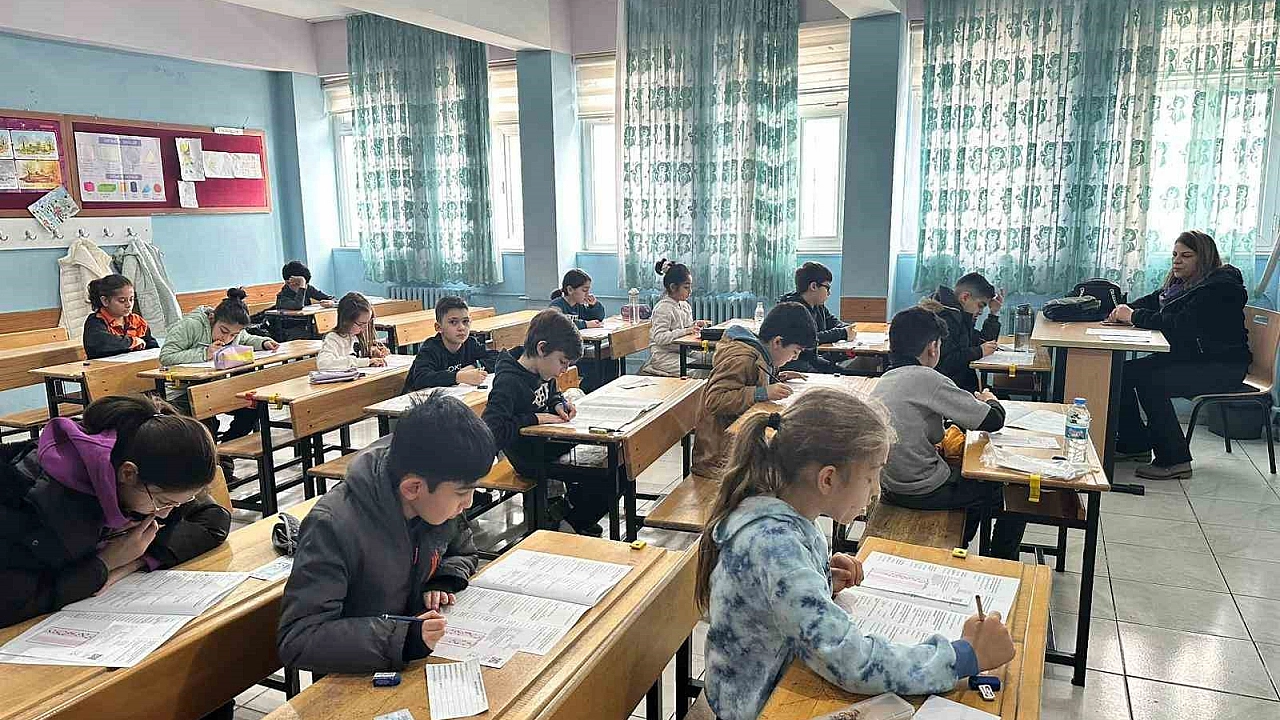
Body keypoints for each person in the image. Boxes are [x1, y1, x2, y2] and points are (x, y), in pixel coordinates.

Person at [698, 390, 1016, 720]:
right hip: (756, 707)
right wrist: (963, 657)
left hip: (779, 683)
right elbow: (851, 661)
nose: (877, 489)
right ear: (828, 479)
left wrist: (821, 578)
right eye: (871, 476)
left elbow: (778, 600)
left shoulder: (786, 515)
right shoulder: (775, 547)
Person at [277, 395, 490, 673]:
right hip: (357, 672)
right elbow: (299, 639)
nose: (469, 503)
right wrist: (401, 638)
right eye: (462, 493)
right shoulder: (333, 526)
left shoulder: (435, 501)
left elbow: (462, 551)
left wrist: (443, 579)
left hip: (414, 657)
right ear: (413, 488)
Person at [0, 394, 229, 627]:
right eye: (162, 502)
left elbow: (213, 518)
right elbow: (12, 602)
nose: (163, 514)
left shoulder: (149, 468)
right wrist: (105, 563)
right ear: (128, 473)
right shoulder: (36, 502)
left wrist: (135, 560)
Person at [870, 307, 1025, 559]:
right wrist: (990, 399)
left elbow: (932, 434)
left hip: (889, 484)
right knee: (1010, 493)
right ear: (933, 348)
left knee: (968, 482)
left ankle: (962, 542)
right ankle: (1000, 559)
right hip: (921, 489)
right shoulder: (928, 379)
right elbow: (993, 420)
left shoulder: (886, 379)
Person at [1108, 230, 1252, 479]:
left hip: (1222, 366)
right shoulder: (1180, 286)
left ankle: (1175, 460)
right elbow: (1154, 302)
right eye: (1175, 254)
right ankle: (1135, 444)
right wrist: (1123, 309)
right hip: (1194, 358)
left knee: (1151, 382)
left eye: (1186, 255)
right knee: (1123, 373)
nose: (1177, 261)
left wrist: (1132, 316)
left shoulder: (1219, 289)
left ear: (1204, 258)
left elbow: (1179, 326)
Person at [482, 309, 611, 535]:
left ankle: (567, 514)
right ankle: (568, 526)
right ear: (541, 349)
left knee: (616, 463)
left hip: (550, 446)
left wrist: (559, 403)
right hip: (530, 457)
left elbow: (551, 393)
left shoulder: (541, 369)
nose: (563, 371)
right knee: (608, 478)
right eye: (562, 362)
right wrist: (534, 419)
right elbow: (491, 431)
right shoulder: (508, 382)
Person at [691, 302, 815, 478]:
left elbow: (748, 380)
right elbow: (716, 399)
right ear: (777, 342)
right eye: (795, 352)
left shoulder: (762, 353)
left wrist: (776, 377)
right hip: (720, 458)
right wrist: (763, 392)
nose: (795, 358)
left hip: (738, 449)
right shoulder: (742, 358)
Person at [160, 288, 279, 453]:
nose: (227, 338)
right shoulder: (191, 325)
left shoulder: (233, 330)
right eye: (224, 331)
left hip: (213, 388)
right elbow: (166, 356)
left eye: (233, 335)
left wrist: (264, 343)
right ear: (212, 318)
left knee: (253, 405)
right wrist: (204, 353)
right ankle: (213, 460)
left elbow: (246, 338)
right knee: (207, 422)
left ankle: (225, 452)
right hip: (181, 392)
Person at [920, 272, 1003, 391]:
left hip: (955, 385)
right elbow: (946, 362)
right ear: (965, 297)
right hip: (945, 389)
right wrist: (979, 351)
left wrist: (993, 313)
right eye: (980, 305)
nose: (980, 312)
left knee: (1000, 395)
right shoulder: (944, 318)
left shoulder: (958, 315)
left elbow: (982, 342)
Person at [402, 296, 499, 393]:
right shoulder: (430, 349)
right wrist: (459, 376)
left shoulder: (470, 343)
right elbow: (421, 378)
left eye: (465, 321)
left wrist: (473, 366)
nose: (461, 327)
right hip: (418, 400)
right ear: (438, 327)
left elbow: (497, 357)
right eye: (453, 322)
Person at [638, 258, 709, 377]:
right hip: (664, 356)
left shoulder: (684, 305)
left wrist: (695, 325)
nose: (690, 291)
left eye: (690, 287)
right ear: (673, 287)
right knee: (698, 370)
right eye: (686, 287)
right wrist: (687, 330)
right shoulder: (663, 308)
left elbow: (685, 328)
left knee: (711, 360)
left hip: (682, 351)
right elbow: (660, 338)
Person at [778, 261, 852, 374]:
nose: (829, 293)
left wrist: (847, 328)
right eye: (827, 288)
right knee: (836, 378)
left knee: (846, 374)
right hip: (794, 364)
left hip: (811, 360)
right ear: (813, 286)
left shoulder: (817, 305)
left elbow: (832, 321)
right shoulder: (792, 309)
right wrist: (843, 333)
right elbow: (810, 338)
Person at [81, 274, 159, 359]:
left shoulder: (136, 321)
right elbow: (104, 342)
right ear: (105, 301)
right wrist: (132, 342)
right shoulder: (95, 321)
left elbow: (152, 346)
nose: (129, 305)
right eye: (122, 300)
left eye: (131, 299)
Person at [317, 292, 390, 371]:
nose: (365, 328)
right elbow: (323, 364)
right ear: (346, 321)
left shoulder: (358, 335)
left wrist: (373, 354)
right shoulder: (333, 338)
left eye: (368, 323)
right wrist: (366, 362)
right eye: (361, 324)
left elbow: (360, 359)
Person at [274, 261, 335, 341]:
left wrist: (331, 303)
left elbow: (330, 298)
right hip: (291, 335)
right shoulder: (282, 297)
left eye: (305, 284)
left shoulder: (307, 288)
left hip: (309, 330)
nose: (305, 287)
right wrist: (302, 286)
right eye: (299, 284)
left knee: (331, 335)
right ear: (288, 282)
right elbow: (297, 306)